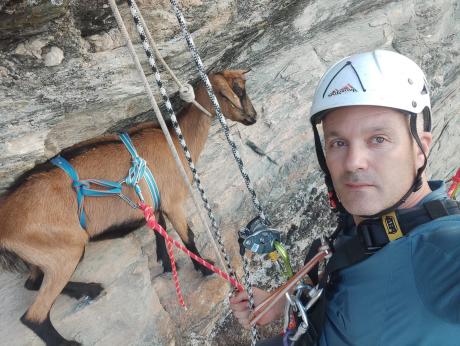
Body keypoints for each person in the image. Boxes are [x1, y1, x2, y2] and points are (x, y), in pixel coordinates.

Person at [230, 50, 460, 345]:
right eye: (338, 142)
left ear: (420, 149)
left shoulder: (438, 248)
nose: (353, 162)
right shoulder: (364, 228)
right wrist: (283, 304)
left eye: (378, 139)